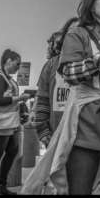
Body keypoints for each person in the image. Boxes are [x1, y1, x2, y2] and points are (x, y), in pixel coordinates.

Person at [21, 0, 100, 195]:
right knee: (79, 189)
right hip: (84, 132)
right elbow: (69, 73)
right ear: (91, 3)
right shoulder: (77, 34)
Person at [0, 49, 30, 195]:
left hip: (11, 124)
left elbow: (11, 100)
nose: (18, 67)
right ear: (8, 61)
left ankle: (2, 186)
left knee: (12, 152)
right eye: (17, 64)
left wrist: (22, 107)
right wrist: (20, 99)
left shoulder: (10, 80)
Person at [33, 17, 79, 147]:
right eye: (72, 32)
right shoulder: (51, 65)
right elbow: (42, 99)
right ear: (64, 38)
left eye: (82, 32)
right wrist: (43, 132)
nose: (77, 36)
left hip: (89, 139)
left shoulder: (96, 64)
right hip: (57, 136)